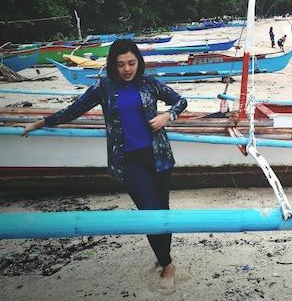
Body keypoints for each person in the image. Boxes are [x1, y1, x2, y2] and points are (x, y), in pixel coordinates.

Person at [20, 39, 187, 290]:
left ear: (138, 62)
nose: (127, 69)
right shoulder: (104, 87)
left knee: (163, 210)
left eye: (131, 63)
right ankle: (167, 265)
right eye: (120, 64)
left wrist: (167, 115)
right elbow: (73, 110)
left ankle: (162, 255)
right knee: (150, 212)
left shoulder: (149, 83)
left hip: (158, 156)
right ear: (113, 65)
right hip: (128, 161)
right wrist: (39, 123)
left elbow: (180, 101)